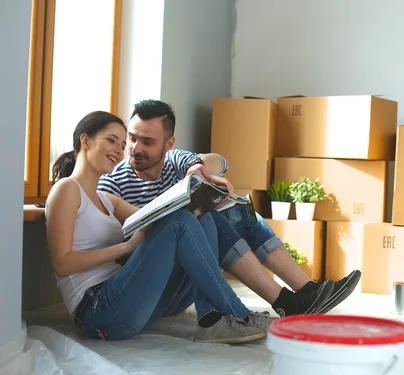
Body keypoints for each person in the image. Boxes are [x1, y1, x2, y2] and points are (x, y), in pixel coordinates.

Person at [45, 111, 335, 344]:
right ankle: (237, 314)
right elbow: (62, 263)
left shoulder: (106, 199)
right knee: (182, 223)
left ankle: (212, 318)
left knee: (200, 217)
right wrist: (126, 246)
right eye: (113, 141)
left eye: (122, 144)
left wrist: (201, 197)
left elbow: (153, 220)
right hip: (98, 311)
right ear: (85, 139)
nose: (120, 150)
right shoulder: (66, 190)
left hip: (128, 302)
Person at [97, 100, 361, 325]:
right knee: (209, 219)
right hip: (155, 285)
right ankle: (287, 301)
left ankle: (306, 290)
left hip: (189, 277)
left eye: (147, 141)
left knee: (240, 213)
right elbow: (119, 249)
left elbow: (219, 161)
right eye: (131, 138)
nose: (135, 148)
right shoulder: (112, 182)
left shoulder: (174, 161)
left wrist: (199, 169)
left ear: (168, 144)